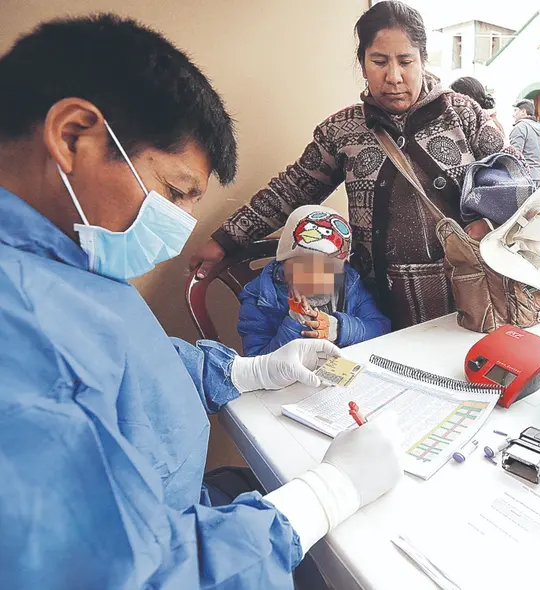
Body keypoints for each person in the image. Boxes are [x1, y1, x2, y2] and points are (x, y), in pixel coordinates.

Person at [0, 15, 402, 589]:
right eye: (176, 191)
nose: (183, 223)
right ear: (72, 136)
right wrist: (324, 495)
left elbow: (133, 360)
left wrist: (245, 369)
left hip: (200, 508)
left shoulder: (67, 259)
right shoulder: (20, 336)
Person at [190, 1, 510, 330]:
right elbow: (292, 188)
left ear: (423, 60)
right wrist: (225, 240)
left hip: (467, 298)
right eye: (379, 61)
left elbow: (511, 176)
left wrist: (487, 218)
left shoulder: (464, 114)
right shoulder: (341, 131)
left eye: (405, 61)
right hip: (379, 310)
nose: (394, 77)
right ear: (362, 63)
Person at [238, 205, 390, 355]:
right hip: (291, 377)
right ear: (284, 262)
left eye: (329, 267)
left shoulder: (350, 285)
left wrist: (339, 329)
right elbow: (256, 363)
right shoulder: (260, 299)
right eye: (305, 264)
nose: (317, 277)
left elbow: (380, 328)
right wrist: (296, 322)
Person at [510, 99, 540, 186]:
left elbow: (514, 155)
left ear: (523, 112)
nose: (513, 115)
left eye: (515, 111)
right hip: (539, 177)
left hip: (523, 178)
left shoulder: (520, 127)